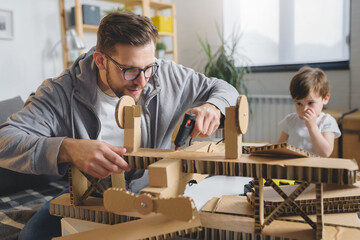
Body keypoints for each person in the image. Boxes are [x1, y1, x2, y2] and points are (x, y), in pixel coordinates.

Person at [0, 12, 239, 239]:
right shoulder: (60, 92)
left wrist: (213, 107)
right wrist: (68, 149)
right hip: (93, 194)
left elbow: (224, 88)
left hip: (160, 191)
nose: (143, 81)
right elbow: (5, 141)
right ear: (100, 60)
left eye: (148, 68)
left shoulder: (165, 74)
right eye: (130, 70)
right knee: (33, 236)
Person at [277, 66, 341, 157]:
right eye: (299, 103)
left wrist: (312, 126)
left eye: (310, 103)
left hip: (314, 169)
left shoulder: (326, 121)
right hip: (293, 168)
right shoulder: (290, 120)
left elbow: (325, 153)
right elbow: (279, 148)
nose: (304, 109)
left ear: (325, 99)